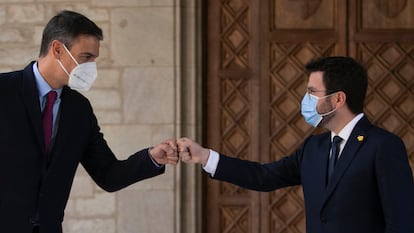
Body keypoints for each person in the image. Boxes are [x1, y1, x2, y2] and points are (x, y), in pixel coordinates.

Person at [177, 56, 414, 233]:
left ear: (338, 99)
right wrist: (205, 156)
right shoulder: (314, 147)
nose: (306, 99)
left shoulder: (383, 146)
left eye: (312, 92)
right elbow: (264, 176)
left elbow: (402, 222)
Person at [0, 10, 179, 233]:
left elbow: (108, 174)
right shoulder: (4, 92)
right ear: (57, 49)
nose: (91, 67)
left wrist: (151, 158)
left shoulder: (79, 110)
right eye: (86, 57)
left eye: (94, 59)